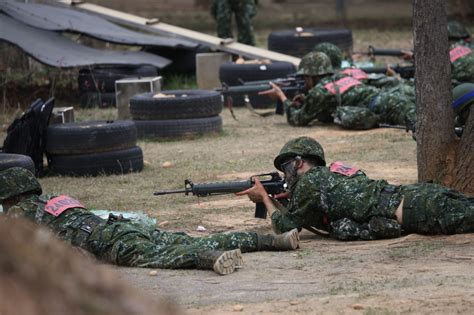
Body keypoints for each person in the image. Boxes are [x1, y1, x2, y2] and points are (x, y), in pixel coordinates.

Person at [0, 167, 300, 275]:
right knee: (184, 238)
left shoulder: (19, 215)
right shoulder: (55, 198)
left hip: (110, 240)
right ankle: (272, 240)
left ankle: (210, 259)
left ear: (10, 197)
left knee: (164, 256)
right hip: (120, 226)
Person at [237, 136, 474, 241]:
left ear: (299, 162)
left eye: (286, 165)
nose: (284, 172)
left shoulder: (310, 183)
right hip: (416, 197)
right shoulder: (331, 174)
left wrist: (265, 200)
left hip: (418, 209)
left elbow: (286, 228)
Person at [259, 51, 416, 130]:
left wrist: (281, 96)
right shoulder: (338, 77)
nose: (305, 82)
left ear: (312, 76)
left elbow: (297, 119)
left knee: (421, 125)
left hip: (386, 107)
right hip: (388, 99)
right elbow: (329, 106)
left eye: (306, 77)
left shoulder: (319, 92)